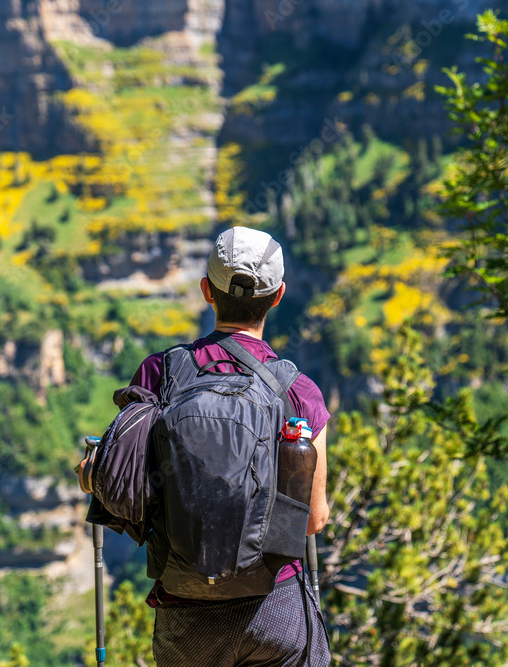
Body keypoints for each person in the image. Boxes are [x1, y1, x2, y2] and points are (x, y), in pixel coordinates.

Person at [80, 226, 332, 666]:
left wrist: (91, 471)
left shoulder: (159, 374)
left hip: (186, 607)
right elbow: (312, 518)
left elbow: (124, 486)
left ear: (206, 291)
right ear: (278, 296)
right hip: (274, 603)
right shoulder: (299, 391)